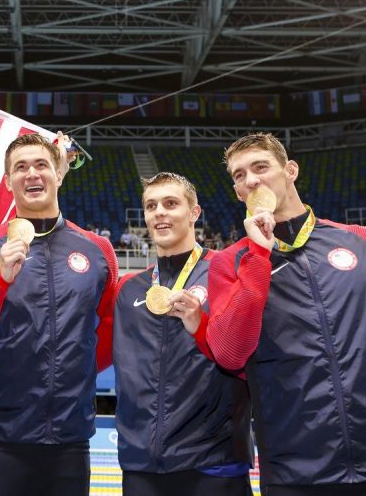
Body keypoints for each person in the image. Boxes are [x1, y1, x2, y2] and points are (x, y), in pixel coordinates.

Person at [207, 132, 366, 496]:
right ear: (236, 190)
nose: (250, 180)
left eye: (260, 167)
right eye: (238, 175)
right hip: (294, 474)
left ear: (290, 170)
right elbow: (230, 353)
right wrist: (258, 257)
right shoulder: (229, 262)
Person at [0, 133, 118, 496]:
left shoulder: (98, 251)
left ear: (58, 173)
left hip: (70, 443)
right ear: (8, 182)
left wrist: (70, 370)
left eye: (41, 165)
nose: (31, 174)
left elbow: (109, 335)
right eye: (20, 167)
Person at [106, 172, 253, 496]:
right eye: (151, 205)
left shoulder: (228, 272)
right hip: (142, 465)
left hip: (213, 461)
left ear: (194, 212)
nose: (159, 212)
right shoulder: (129, 289)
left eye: (171, 204)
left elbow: (244, 354)